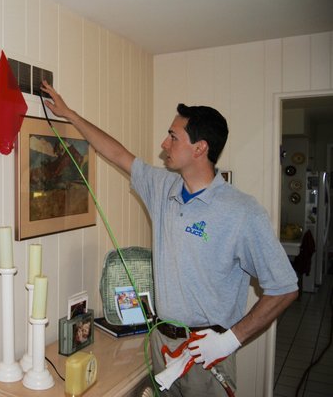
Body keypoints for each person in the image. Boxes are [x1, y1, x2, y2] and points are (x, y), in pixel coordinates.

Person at [40, 81, 298, 396]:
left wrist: (228, 341)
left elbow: (284, 289)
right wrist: (69, 114)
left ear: (200, 148)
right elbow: (118, 153)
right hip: (161, 345)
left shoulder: (243, 212)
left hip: (207, 354)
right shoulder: (163, 188)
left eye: (173, 136)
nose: (164, 143)